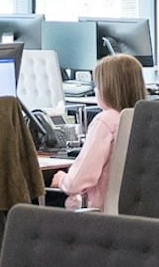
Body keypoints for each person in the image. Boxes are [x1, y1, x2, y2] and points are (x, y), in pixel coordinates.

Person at [62, 54, 147, 210]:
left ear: (106, 88)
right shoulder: (146, 119)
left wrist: (62, 180)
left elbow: (75, 183)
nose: (95, 90)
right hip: (137, 214)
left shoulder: (106, 121)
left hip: (102, 216)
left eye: (97, 85)